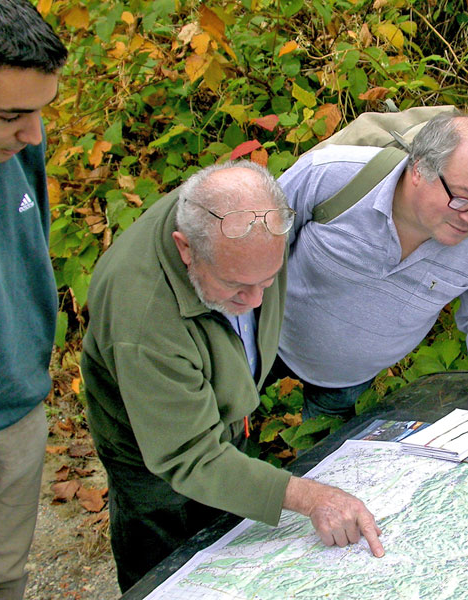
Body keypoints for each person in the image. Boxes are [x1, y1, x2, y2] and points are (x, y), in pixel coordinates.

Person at [81, 162, 384, 592]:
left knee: (225, 548)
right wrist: (311, 497)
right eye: (237, 286)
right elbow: (189, 457)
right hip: (154, 461)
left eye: (268, 279)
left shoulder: (244, 217)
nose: (256, 300)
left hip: (214, 429)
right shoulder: (144, 321)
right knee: (163, 569)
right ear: (185, 249)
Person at [275, 113, 468, 420]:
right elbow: (252, 243)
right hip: (264, 342)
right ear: (419, 170)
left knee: (316, 461)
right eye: (462, 199)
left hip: (344, 384)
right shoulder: (331, 176)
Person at [0, 2, 67, 598]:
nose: (33, 135)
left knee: (1, 581)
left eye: (40, 112)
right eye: (11, 114)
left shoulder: (16, 143)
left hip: (14, 409)